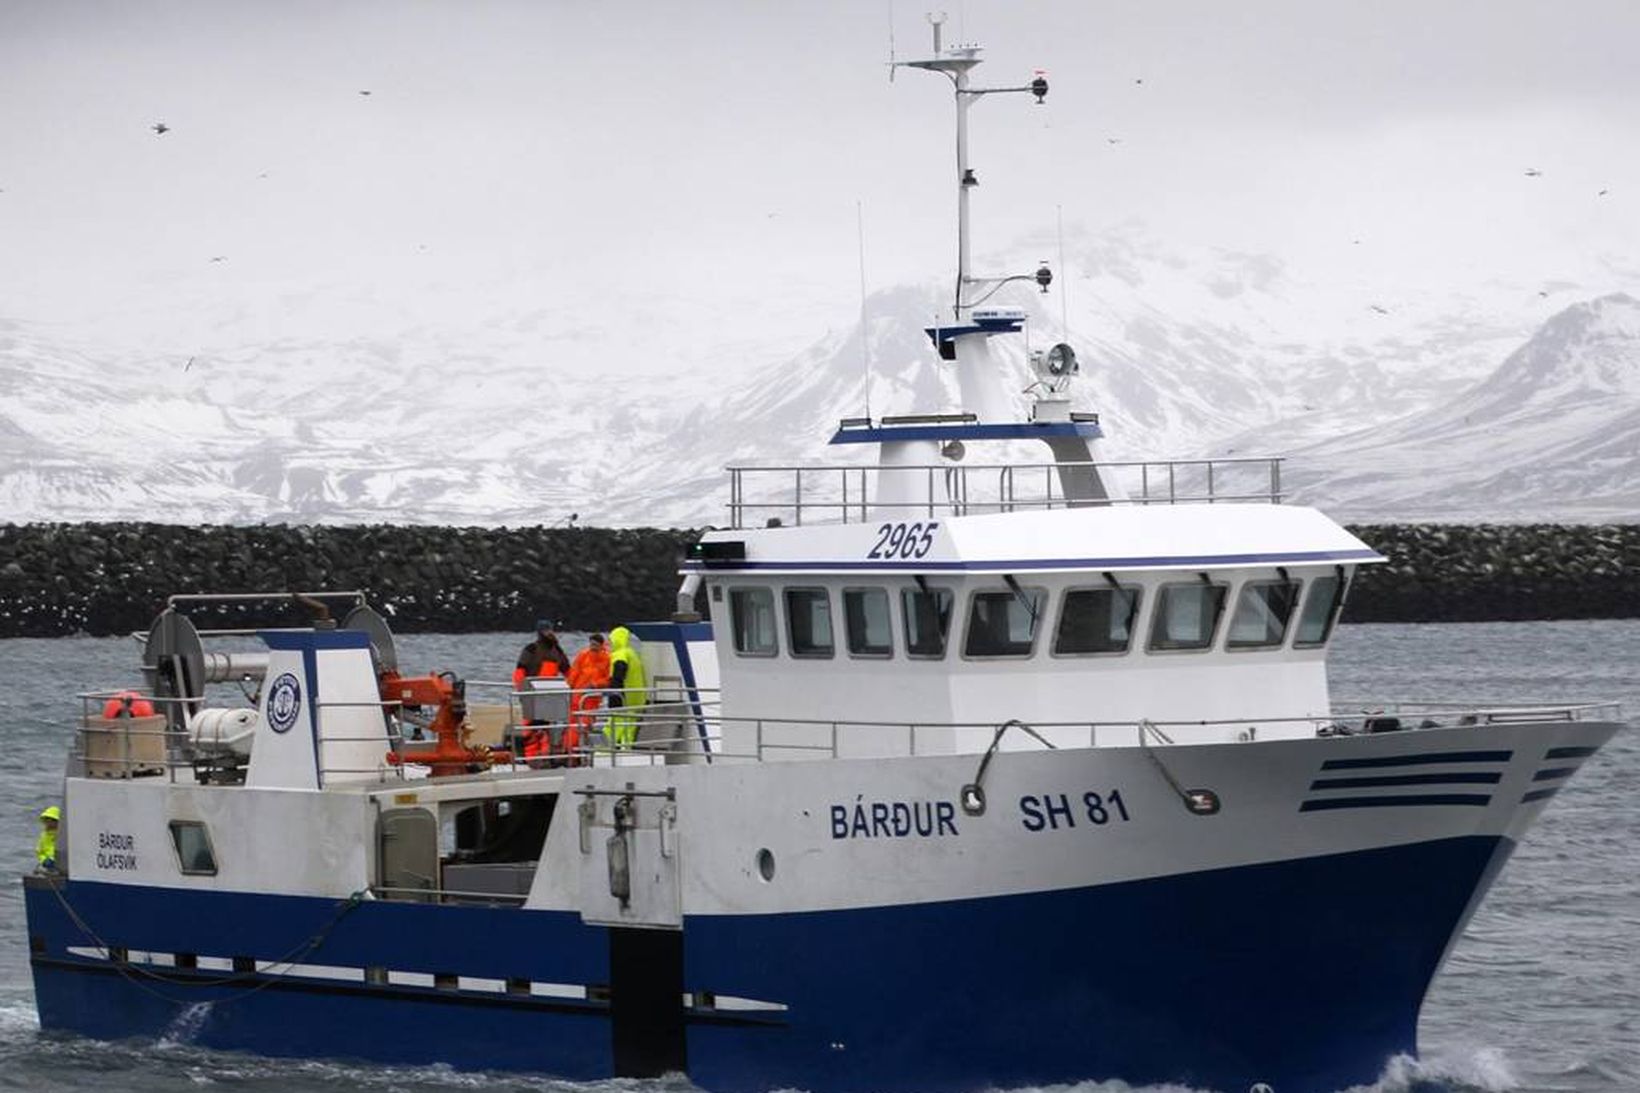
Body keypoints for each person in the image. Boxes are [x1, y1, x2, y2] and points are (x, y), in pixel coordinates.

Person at [513, 622, 571, 764]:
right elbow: (519, 671)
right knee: (530, 729)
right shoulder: (531, 649)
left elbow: (569, 672)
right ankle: (529, 759)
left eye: (550, 630)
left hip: (551, 696)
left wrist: (574, 690)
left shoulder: (557, 651)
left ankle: (545, 757)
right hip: (532, 694)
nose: (549, 633)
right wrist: (522, 691)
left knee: (548, 729)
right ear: (539, 632)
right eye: (546, 630)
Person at [566, 633, 611, 760]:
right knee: (572, 724)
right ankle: (570, 752)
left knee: (585, 725)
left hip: (592, 698)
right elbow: (574, 673)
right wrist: (569, 688)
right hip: (577, 695)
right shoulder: (583, 655)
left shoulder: (607, 659)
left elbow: (608, 680)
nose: (592, 647)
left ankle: (577, 752)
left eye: (595, 645)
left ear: (601, 645)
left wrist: (595, 684)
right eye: (591, 644)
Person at [605, 626, 647, 749]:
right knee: (630, 726)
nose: (609, 643)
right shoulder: (632, 653)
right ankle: (626, 749)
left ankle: (603, 749)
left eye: (611, 640)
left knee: (614, 724)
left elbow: (617, 677)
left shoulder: (620, 655)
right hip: (637, 698)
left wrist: (614, 698)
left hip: (624, 698)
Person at [36, 806, 60, 873]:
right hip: (47, 866)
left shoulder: (63, 834)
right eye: (46, 819)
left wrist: (53, 859)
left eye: (52, 820)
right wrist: (44, 860)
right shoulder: (44, 835)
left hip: (62, 866)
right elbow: (39, 852)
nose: (49, 822)